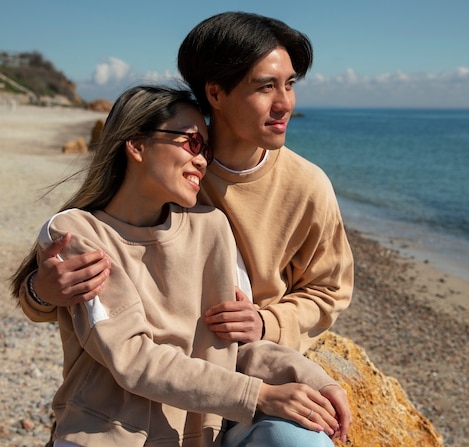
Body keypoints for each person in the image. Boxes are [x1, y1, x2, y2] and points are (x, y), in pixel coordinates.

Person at [11, 85, 350, 446]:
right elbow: (133, 359)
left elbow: (227, 349)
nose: (202, 160)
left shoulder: (211, 229)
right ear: (137, 144)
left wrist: (316, 380)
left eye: (206, 149)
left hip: (197, 437)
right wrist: (259, 396)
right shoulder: (76, 232)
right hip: (106, 435)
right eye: (191, 143)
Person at [17, 11, 353, 354]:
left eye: (290, 84)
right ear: (216, 94)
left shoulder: (308, 186)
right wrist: (42, 291)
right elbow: (47, 290)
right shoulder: (168, 171)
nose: (285, 104)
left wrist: (267, 322)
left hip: (254, 359)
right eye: (266, 86)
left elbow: (330, 290)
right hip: (155, 364)